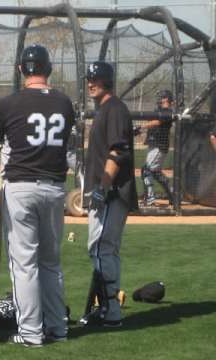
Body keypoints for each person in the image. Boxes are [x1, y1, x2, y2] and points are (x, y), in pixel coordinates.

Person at [0, 44, 74, 347]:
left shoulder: (9, 103)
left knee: (24, 264)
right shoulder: (65, 103)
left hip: (21, 186)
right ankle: (58, 328)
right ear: (48, 69)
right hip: (54, 188)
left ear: (21, 69)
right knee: (51, 262)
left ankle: (30, 332)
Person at [81, 61, 138, 327]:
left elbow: (118, 151)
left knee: (101, 249)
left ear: (108, 81)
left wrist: (102, 189)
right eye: (90, 79)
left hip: (111, 193)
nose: (91, 83)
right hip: (107, 192)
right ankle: (105, 307)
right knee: (106, 250)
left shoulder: (114, 109)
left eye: (97, 79)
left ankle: (111, 310)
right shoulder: (107, 109)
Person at [139, 90, 174, 206]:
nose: (160, 99)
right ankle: (173, 193)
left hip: (159, 146)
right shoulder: (158, 110)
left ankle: (150, 198)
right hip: (154, 145)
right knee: (155, 172)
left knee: (147, 170)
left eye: (163, 97)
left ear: (167, 100)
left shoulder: (168, 111)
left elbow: (156, 122)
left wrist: (140, 127)